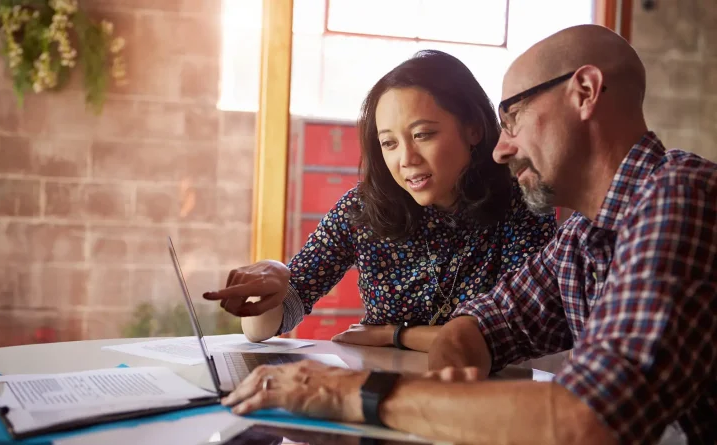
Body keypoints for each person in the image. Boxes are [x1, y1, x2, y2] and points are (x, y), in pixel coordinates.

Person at [215, 24, 717, 445]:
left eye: (513, 118)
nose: (503, 149)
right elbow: (484, 323)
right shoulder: (584, 234)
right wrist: (448, 391)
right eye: (389, 142)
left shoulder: (679, 195)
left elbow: (588, 418)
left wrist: (353, 391)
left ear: (584, 92)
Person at [203, 50, 556, 351]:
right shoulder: (363, 208)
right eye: (390, 143)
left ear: (473, 129)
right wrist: (276, 279)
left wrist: (395, 336)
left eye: (422, 135)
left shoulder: (520, 202)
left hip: (486, 402)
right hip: (382, 397)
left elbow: (518, 330)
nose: (406, 159)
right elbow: (265, 328)